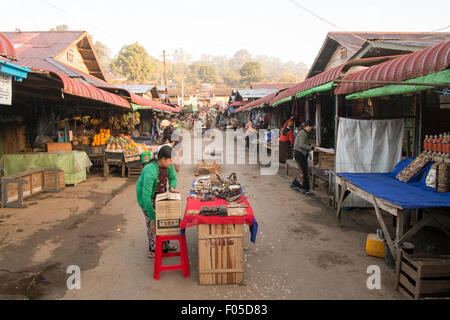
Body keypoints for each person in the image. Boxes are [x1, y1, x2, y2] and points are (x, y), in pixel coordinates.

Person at [136, 145, 179, 258]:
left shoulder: (169, 166)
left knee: (164, 218)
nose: (171, 162)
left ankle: (165, 245)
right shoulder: (150, 171)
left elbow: (173, 178)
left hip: (160, 194)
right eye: (170, 160)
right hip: (147, 198)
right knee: (152, 223)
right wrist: (152, 217)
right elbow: (146, 197)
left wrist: (172, 187)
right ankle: (153, 249)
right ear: (163, 159)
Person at [291, 120, 317, 195]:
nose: (311, 129)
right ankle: (305, 189)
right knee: (304, 171)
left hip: (298, 153)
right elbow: (301, 145)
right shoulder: (303, 133)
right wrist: (311, 148)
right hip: (300, 154)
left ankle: (295, 183)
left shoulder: (302, 132)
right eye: (311, 127)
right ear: (307, 126)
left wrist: (310, 146)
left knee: (301, 170)